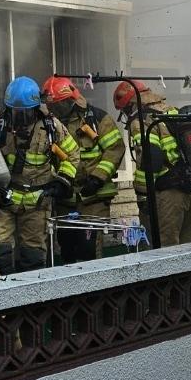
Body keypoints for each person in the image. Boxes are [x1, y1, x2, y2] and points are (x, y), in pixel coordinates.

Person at [0, 76, 79, 275]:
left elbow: (72, 154)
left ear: (35, 107)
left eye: (25, 112)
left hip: (37, 202)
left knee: (33, 255)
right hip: (5, 199)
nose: (20, 117)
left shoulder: (50, 127)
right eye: (16, 112)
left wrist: (61, 181)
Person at [115, 79, 191, 246]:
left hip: (171, 194)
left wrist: (142, 194)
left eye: (124, 110)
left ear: (129, 105)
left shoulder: (141, 120)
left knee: (166, 249)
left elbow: (152, 158)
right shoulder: (172, 110)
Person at [41, 76, 124, 263]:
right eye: (53, 107)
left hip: (93, 197)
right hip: (66, 197)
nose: (57, 111)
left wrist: (98, 177)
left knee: (89, 248)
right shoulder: (48, 124)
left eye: (61, 105)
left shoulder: (97, 119)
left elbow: (115, 149)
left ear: (72, 99)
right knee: (67, 248)